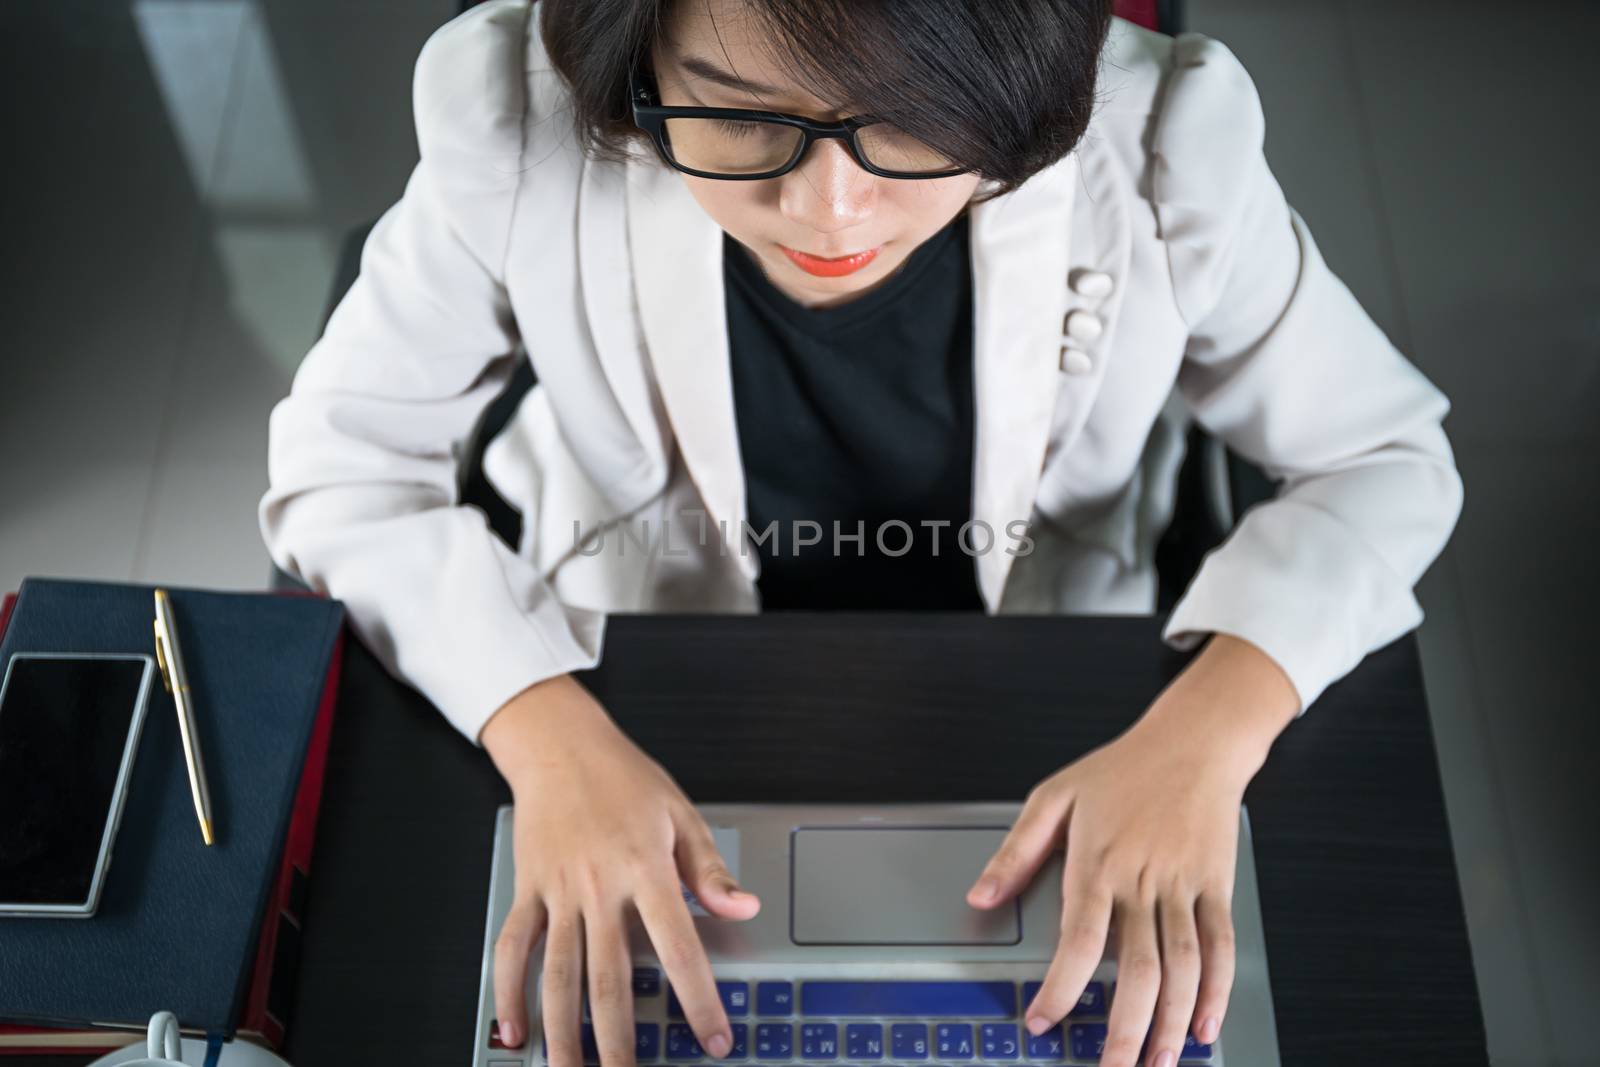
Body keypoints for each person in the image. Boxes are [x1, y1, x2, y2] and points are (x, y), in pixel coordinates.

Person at [257, 1, 1463, 1065]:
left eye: (908, 125)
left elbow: (1383, 459)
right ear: (641, 63)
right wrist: (544, 732)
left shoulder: (1154, 144)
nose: (826, 209)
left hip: (1053, 693)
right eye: (737, 118)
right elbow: (339, 466)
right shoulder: (524, 123)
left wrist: (1212, 728)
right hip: (650, 691)